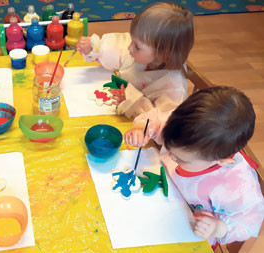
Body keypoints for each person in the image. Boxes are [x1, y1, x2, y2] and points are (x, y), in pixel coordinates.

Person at [124, 86, 264, 247]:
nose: (170, 156)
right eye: (169, 148)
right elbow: (156, 117)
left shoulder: (237, 185)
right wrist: (143, 128)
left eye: (181, 158)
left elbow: (250, 222)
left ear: (221, 161)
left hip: (187, 233)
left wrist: (219, 228)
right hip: (159, 200)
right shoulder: (185, 128)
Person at [76, 2, 194, 119]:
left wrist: (134, 101)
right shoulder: (143, 48)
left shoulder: (173, 87)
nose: (129, 47)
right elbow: (118, 47)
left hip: (137, 130)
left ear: (162, 54)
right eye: (132, 40)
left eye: (137, 46)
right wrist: (95, 47)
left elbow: (163, 121)